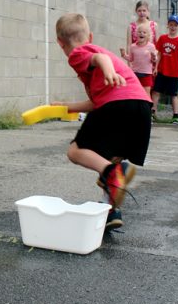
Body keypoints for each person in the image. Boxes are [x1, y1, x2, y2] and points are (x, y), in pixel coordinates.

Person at [53, 13, 152, 232]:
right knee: (110, 158)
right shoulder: (101, 54)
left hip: (118, 105)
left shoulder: (80, 53)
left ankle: (111, 173)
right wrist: (65, 106)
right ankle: (111, 210)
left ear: (61, 43)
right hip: (141, 108)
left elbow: (100, 60)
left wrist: (107, 71)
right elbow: (96, 101)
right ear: (90, 34)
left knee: (76, 151)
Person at [152, 15, 178, 124]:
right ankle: (153, 113)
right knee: (156, 92)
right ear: (168, 25)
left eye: (175, 25)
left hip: (173, 73)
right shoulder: (163, 38)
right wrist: (155, 67)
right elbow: (159, 54)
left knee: (174, 94)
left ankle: (175, 115)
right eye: (171, 25)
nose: (173, 27)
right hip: (161, 70)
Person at [121, 23, 158, 97]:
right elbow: (131, 59)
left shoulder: (151, 46)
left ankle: (147, 107)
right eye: (139, 32)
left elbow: (154, 60)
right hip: (135, 72)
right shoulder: (133, 46)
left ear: (148, 35)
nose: (142, 33)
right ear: (136, 34)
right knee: (134, 92)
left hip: (146, 73)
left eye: (144, 32)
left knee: (146, 93)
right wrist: (124, 55)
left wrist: (154, 56)